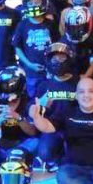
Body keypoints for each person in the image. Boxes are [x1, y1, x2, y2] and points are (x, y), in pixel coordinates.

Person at [34, 43, 80, 171]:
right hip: (52, 127)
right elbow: (34, 113)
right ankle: (58, 157)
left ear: (69, 59)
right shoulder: (44, 85)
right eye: (54, 59)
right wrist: (40, 106)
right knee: (44, 153)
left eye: (62, 58)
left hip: (75, 127)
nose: (58, 62)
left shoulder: (79, 83)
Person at [12, 0, 58, 98]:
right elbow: (17, 48)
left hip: (50, 72)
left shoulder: (50, 24)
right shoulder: (22, 25)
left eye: (37, 2)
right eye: (30, 3)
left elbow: (57, 46)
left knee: (50, 100)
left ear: (43, 2)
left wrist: (53, 66)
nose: (33, 5)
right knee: (32, 100)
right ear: (25, 4)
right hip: (31, 73)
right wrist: (29, 64)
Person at [0, 66, 39, 158]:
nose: (8, 86)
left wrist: (17, 117)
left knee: (36, 142)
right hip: (0, 144)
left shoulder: (29, 102)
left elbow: (33, 132)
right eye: (5, 84)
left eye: (12, 83)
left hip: (23, 144)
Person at [60, 6, 93, 77]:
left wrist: (84, 78)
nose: (75, 32)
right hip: (70, 74)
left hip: (89, 75)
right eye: (72, 28)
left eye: (80, 28)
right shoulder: (64, 40)